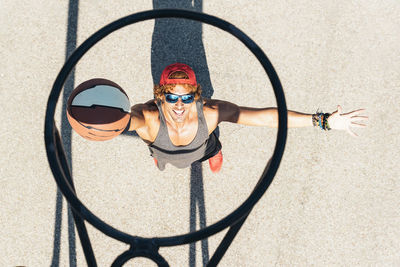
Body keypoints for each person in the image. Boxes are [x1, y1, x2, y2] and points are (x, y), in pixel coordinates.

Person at [127, 63, 368, 173]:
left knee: (207, 148)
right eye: (171, 97)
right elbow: (121, 120)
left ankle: (215, 152)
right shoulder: (148, 119)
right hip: (161, 147)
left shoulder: (211, 113)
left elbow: (265, 118)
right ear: (159, 97)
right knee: (163, 158)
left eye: (187, 97)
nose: (179, 104)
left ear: (196, 96)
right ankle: (162, 158)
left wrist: (322, 120)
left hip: (203, 146)